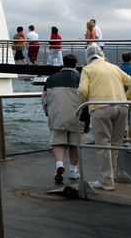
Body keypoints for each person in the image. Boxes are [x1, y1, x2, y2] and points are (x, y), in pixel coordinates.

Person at [78, 44, 131, 191]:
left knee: (103, 144)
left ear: (88, 57)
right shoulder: (114, 67)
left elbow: (81, 90)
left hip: (101, 107)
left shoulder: (88, 69)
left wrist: (84, 105)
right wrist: (126, 98)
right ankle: (109, 177)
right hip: (122, 106)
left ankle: (106, 181)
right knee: (115, 144)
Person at [42, 54, 83, 182]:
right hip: (77, 116)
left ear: (63, 63)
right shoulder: (81, 78)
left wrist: (48, 113)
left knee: (59, 142)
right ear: (76, 65)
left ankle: (59, 164)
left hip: (57, 115)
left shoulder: (51, 79)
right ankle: (72, 170)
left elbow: (44, 99)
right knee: (75, 144)